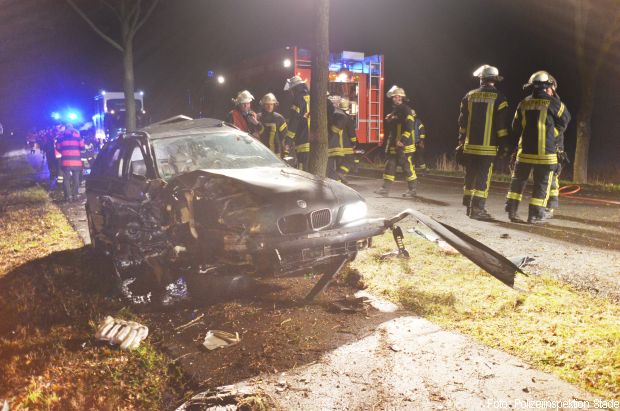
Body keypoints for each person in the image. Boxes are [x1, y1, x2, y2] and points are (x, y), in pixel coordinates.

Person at [505, 71, 571, 224]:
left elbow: (516, 126)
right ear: (548, 86)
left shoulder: (523, 103)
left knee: (517, 181)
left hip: (525, 153)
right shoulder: (554, 103)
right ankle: (534, 215)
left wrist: (529, 134)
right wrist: (550, 135)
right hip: (546, 154)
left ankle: (511, 211)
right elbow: (565, 120)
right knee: (542, 184)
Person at [457, 64, 510, 221]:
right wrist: (504, 145)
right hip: (488, 148)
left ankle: (468, 206)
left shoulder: (468, 96)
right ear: (495, 80)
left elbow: (462, 123)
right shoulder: (500, 98)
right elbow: (501, 126)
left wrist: (461, 142)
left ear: (481, 79)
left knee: (470, 174)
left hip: (469, 146)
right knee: (482, 177)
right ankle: (478, 209)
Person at [374, 85, 417, 197]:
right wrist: (390, 119)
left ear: (399, 97)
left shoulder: (406, 110)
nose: (393, 99)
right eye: (392, 97)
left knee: (406, 167)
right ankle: (385, 189)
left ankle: (412, 190)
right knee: (390, 166)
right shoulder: (396, 110)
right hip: (395, 145)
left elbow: (410, 127)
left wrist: (402, 140)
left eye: (394, 97)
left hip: (404, 145)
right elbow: (395, 126)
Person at [284, 75, 310, 170]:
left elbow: (294, 122)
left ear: (295, 89)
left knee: (303, 170)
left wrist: (288, 141)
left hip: (303, 141)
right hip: (316, 142)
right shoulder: (313, 97)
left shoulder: (298, 100)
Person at [56, 125, 85, 202]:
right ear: (73, 129)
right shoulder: (78, 136)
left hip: (65, 161)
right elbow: (82, 147)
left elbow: (58, 148)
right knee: (76, 178)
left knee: (66, 179)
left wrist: (64, 152)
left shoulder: (61, 137)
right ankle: (75, 194)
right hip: (76, 161)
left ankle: (68, 196)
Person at [257, 93, 288, 157]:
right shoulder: (258, 117)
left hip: (276, 153)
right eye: (267, 104)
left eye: (271, 104)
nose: (269, 106)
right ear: (263, 105)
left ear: (274, 105)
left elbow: (284, 136)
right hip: (261, 152)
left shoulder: (279, 118)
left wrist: (285, 152)